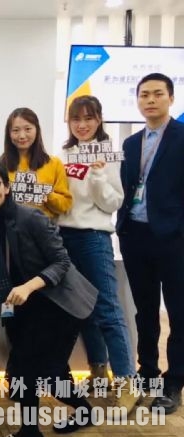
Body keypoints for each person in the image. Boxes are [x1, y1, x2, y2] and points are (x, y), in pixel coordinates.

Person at [0, 158, 97, 437]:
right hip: (19, 308)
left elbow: (62, 262)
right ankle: (80, 411)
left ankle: (31, 435)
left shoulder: (30, 217)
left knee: (31, 371)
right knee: (44, 371)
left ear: (7, 187)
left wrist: (29, 286)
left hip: (56, 305)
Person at [57, 95, 138, 413]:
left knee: (107, 309)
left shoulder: (109, 153)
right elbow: (61, 199)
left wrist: (98, 175)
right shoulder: (63, 154)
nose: (82, 124)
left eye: (89, 118)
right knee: (83, 308)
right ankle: (98, 370)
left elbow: (112, 203)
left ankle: (127, 381)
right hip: (64, 237)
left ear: (99, 119)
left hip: (93, 237)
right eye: (76, 118)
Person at [117, 72, 184, 414]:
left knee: (178, 312)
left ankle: (174, 383)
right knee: (144, 310)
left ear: (171, 98)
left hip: (174, 239)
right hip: (135, 236)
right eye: (144, 95)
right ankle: (148, 373)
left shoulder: (181, 137)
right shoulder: (131, 144)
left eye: (158, 94)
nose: (151, 100)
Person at [0, 107, 72, 220]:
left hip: (43, 226)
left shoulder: (54, 163)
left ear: (37, 130)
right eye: (16, 130)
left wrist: (46, 194)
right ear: (9, 134)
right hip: (8, 226)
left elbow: (65, 205)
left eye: (28, 129)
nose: (22, 136)